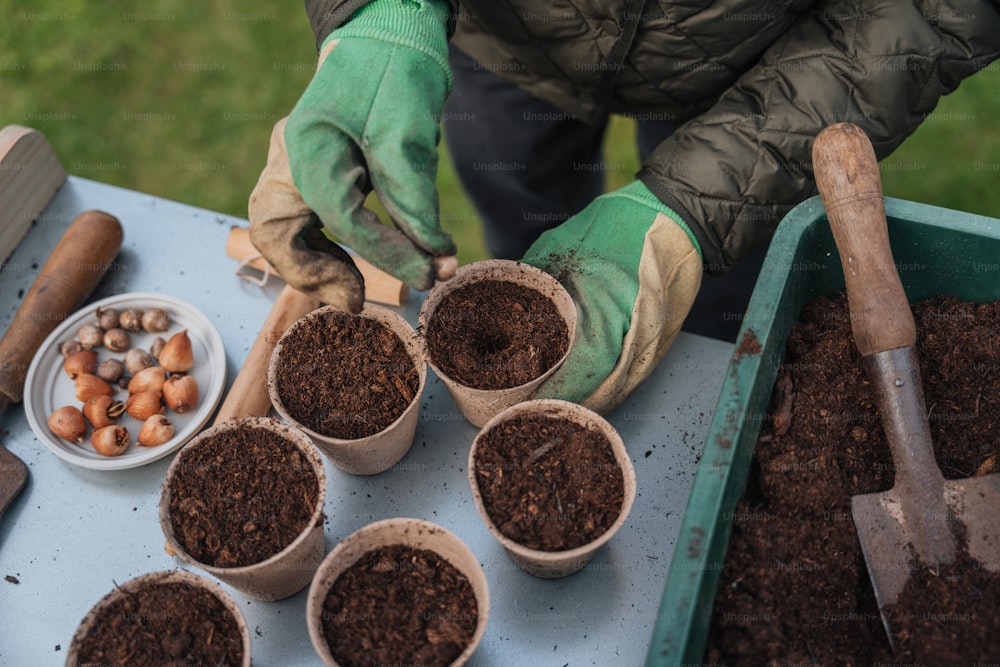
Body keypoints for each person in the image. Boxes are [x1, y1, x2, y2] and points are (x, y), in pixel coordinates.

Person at [248, 0, 1000, 415]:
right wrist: (382, 15)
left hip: (762, 74)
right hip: (496, 39)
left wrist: (695, 206)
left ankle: (705, 396)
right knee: (520, 219)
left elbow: (930, 12)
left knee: (713, 301)